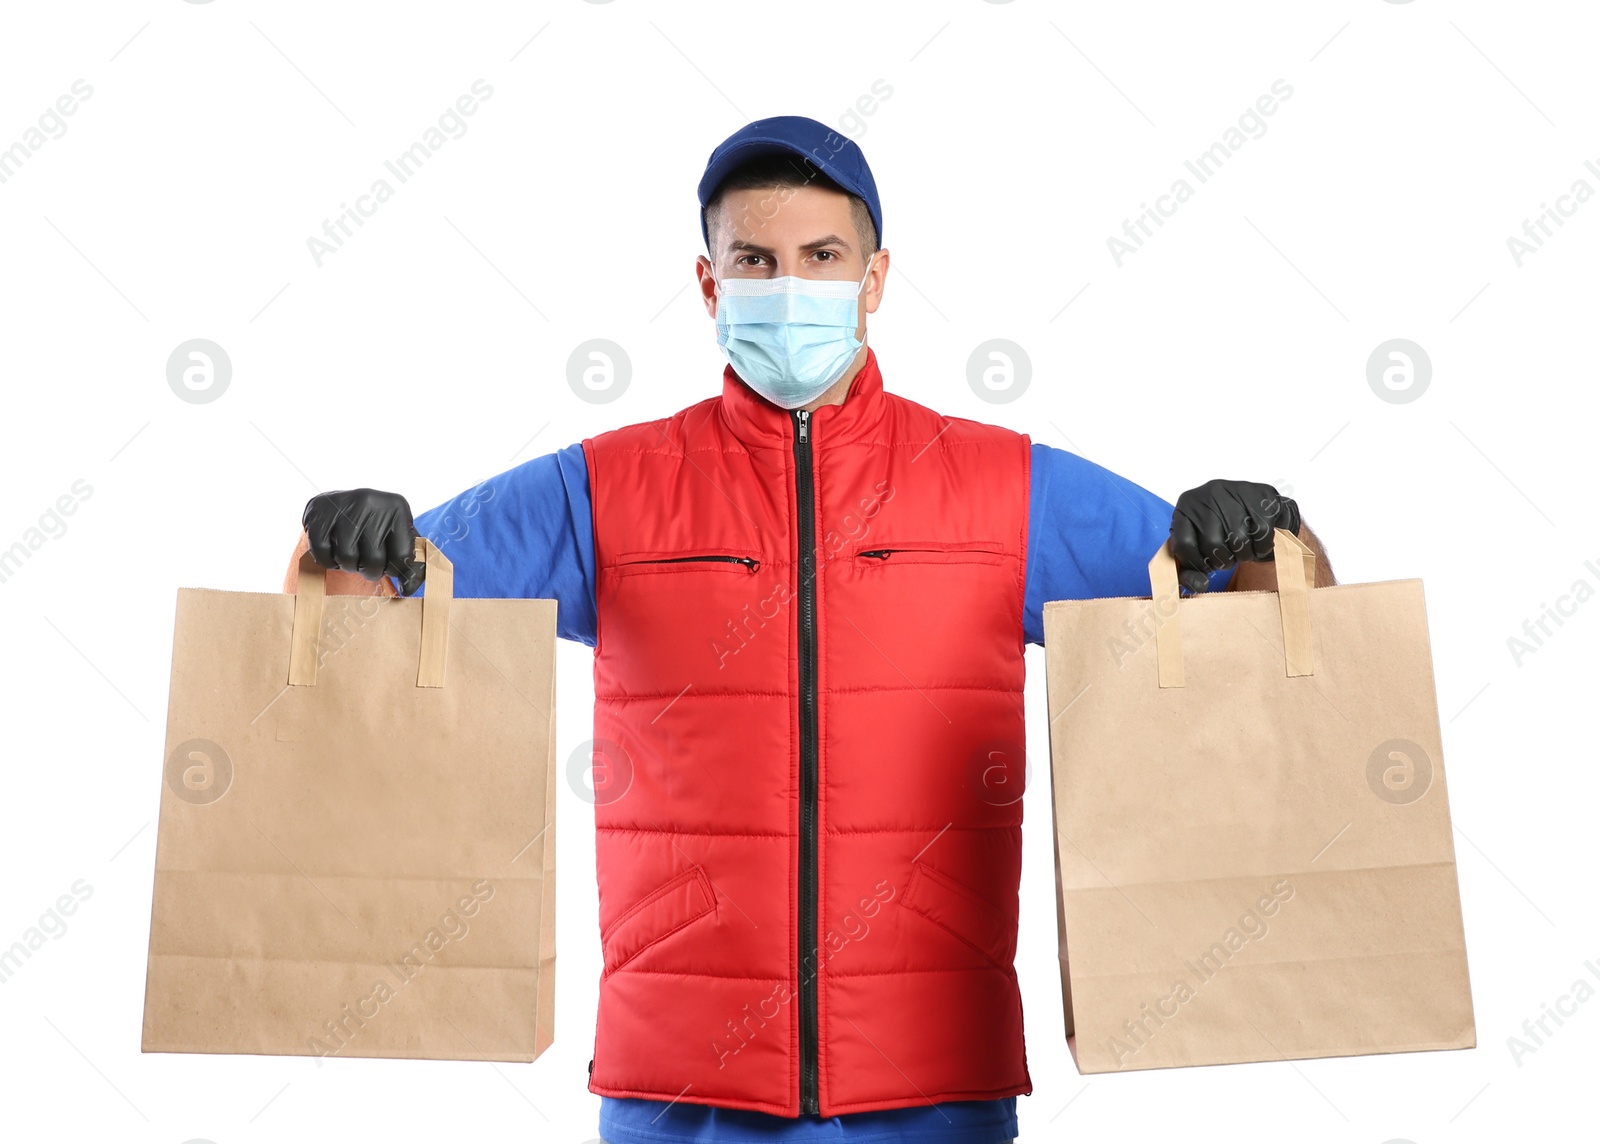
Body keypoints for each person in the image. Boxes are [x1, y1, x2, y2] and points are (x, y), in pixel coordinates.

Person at [286, 116, 1334, 1144]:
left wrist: (1263, 533)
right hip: (682, 1087)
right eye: (755, 257)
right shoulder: (602, 489)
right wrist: (349, 551)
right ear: (709, 283)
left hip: (933, 1083)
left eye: (821, 256)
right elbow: (367, 648)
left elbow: (1263, 634)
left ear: (874, 280)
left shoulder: (1004, 488)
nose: (788, 286)